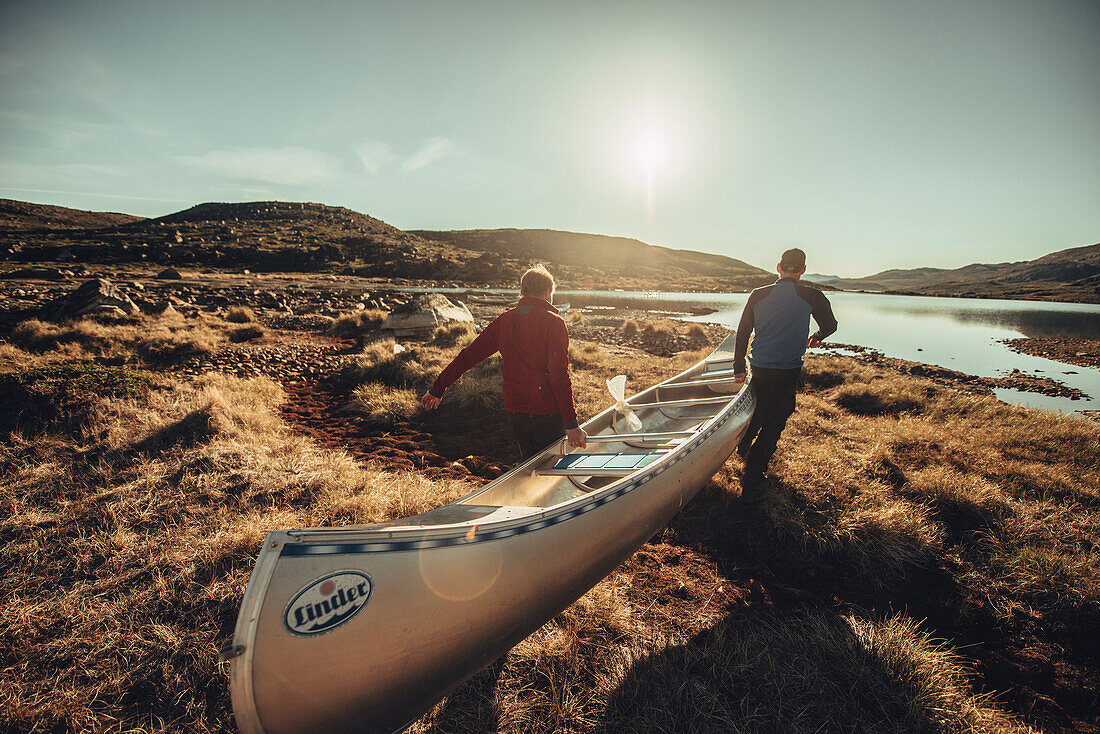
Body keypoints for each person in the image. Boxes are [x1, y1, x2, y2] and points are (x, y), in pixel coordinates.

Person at [421, 265, 588, 456]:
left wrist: (438, 388)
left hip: (516, 411)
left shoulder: (504, 321)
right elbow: (559, 375)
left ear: (523, 291)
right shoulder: (554, 322)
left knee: (529, 465)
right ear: (547, 291)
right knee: (550, 469)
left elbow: (468, 356)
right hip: (546, 413)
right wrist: (571, 424)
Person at [732, 248, 837, 503]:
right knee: (774, 423)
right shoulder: (812, 295)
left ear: (778, 267)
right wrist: (817, 337)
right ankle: (753, 477)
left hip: (758, 368)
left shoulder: (758, 295)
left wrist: (738, 368)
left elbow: (743, 331)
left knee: (756, 411)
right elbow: (831, 325)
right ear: (802, 269)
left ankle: (743, 450)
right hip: (787, 370)